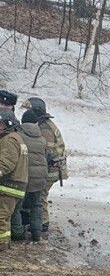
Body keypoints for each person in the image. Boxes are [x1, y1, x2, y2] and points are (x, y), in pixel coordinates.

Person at [22, 96, 67, 234]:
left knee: (40, 196)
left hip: (51, 169)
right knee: (40, 195)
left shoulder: (44, 128)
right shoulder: (44, 124)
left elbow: (44, 153)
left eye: (29, 110)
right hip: (52, 168)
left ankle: (42, 223)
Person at [12, 110, 49, 242]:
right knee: (36, 205)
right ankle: (36, 234)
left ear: (22, 121)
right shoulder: (42, 138)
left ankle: (17, 234)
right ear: (36, 122)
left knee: (16, 207)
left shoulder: (17, 136)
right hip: (39, 179)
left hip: (24, 177)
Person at [0, 110, 28, 250]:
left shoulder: (10, 140)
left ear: (8, 124)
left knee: (1, 217)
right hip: (15, 186)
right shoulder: (16, 137)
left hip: (8, 186)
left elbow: (6, 164)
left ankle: (2, 245)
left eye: (0, 124)